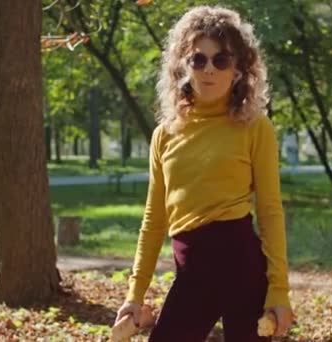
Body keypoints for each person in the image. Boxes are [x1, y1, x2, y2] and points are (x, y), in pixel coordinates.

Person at [115, 5, 294, 341]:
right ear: (183, 66)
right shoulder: (165, 135)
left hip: (242, 268)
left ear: (239, 69)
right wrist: (134, 296)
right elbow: (154, 220)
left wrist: (279, 292)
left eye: (221, 60)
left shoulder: (255, 128)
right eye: (199, 59)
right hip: (192, 272)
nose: (209, 69)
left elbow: (270, 211)